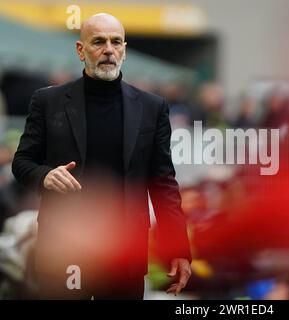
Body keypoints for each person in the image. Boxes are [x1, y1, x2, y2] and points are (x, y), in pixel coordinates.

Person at [11, 13, 192, 299]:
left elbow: (163, 183)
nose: (109, 49)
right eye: (98, 42)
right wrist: (45, 175)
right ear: (81, 50)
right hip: (65, 250)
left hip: (123, 254)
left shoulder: (151, 107)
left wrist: (178, 248)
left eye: (115, 42)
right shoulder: (48, 102)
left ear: (124, 50)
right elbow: (22, 163)